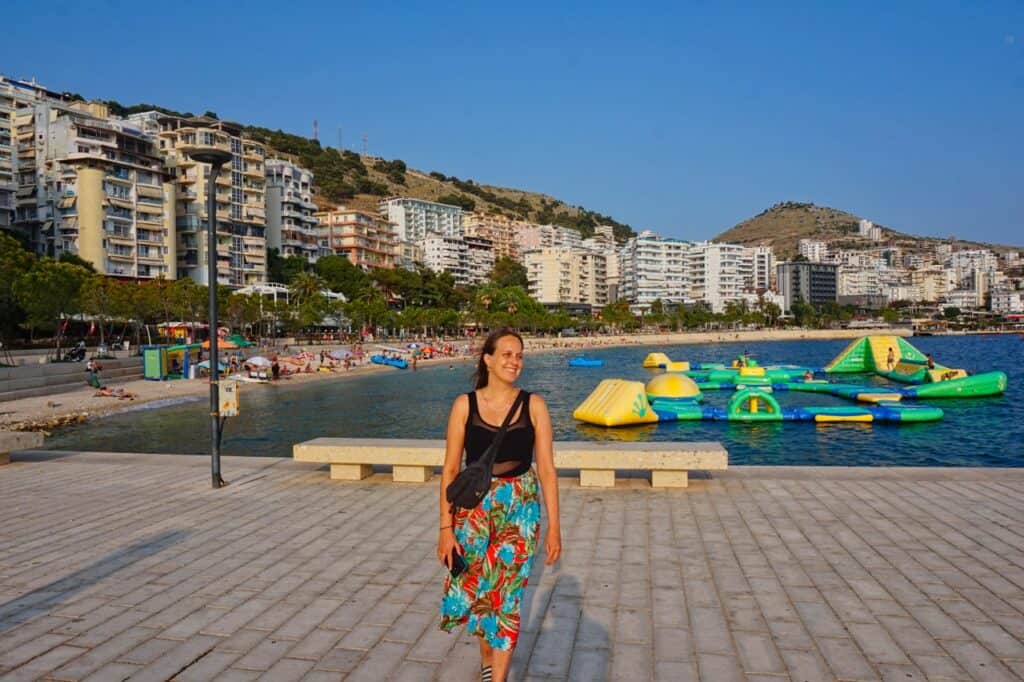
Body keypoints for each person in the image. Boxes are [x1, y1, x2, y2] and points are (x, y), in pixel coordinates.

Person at [437, 328, 561, 682]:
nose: (514, 361)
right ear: (487, 360)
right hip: (473, 512)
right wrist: (445, 530)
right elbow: (449, 469)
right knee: (479, 589)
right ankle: (488, 659)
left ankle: (499, 677)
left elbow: (548, 470)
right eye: (506, 354)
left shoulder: (534, 405)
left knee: (507, 596)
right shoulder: (465, 404)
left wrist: (554, 526)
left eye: (519, 355)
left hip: (520, 509)